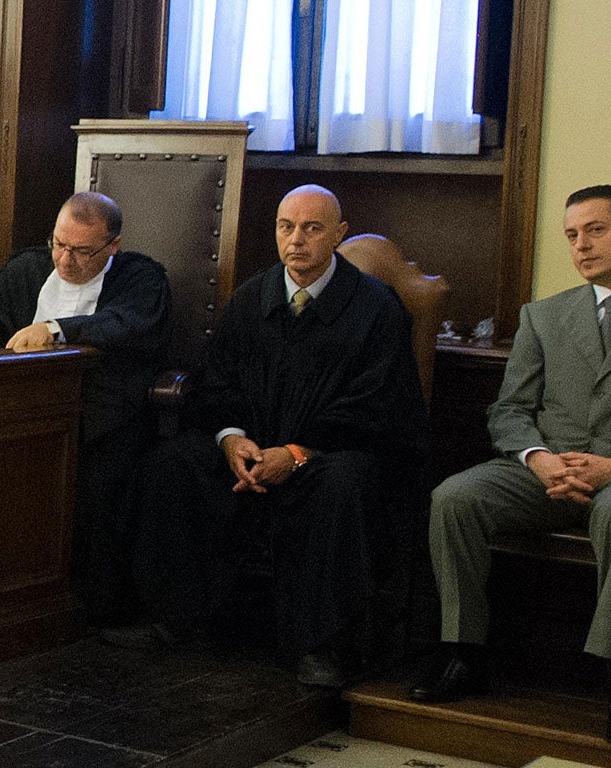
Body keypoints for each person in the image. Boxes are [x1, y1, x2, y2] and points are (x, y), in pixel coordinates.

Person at [410, 185, 611, 749]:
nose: (581, 245)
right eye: (570, 235)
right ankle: (464, 652)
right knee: (454, 497)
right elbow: (510, 409)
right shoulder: (544, 316)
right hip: (548, 471)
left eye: (595, 230)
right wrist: (538, 459)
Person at [102, 184, 429, 688]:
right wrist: (232, 440)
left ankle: (322, 646)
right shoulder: (252, 298)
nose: (296, 240)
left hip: (329, 455)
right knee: (174, 463)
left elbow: (379, 406)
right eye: (286, 227)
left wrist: (297, 453)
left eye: (312, 228)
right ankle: (176, 619)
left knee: (346, 485)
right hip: (252, 452)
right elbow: (218, 385)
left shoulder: (375, 308)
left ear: (339, 234)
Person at [0, 191, 171, 621]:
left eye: (81, 251)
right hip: (18, 411)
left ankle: (88, 607)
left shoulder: (141, 278)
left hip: (101, 418)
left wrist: (55, 330)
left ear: (112, 246)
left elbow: (124, 325)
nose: (65, 260)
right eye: (59, 244)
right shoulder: (30, 266)